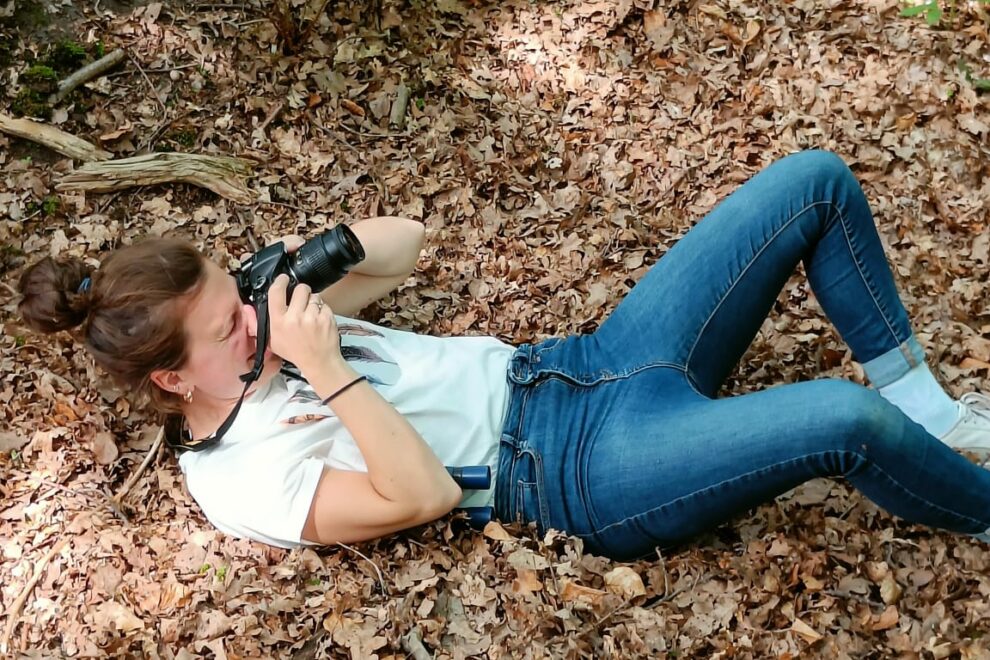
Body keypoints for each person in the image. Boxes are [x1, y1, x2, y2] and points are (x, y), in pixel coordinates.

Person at [17, 151, 990, 561]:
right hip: (577, 473)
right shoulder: (240, 477)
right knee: (843, 418)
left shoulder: (274, 321)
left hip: (581, 361)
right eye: (224, 327)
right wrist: (330, 371)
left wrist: (314, 258)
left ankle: (934, 411)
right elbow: (421, 496)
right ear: (172, 377)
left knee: (813, 182)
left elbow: (407, 244)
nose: (247, 321)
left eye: (235, 295)